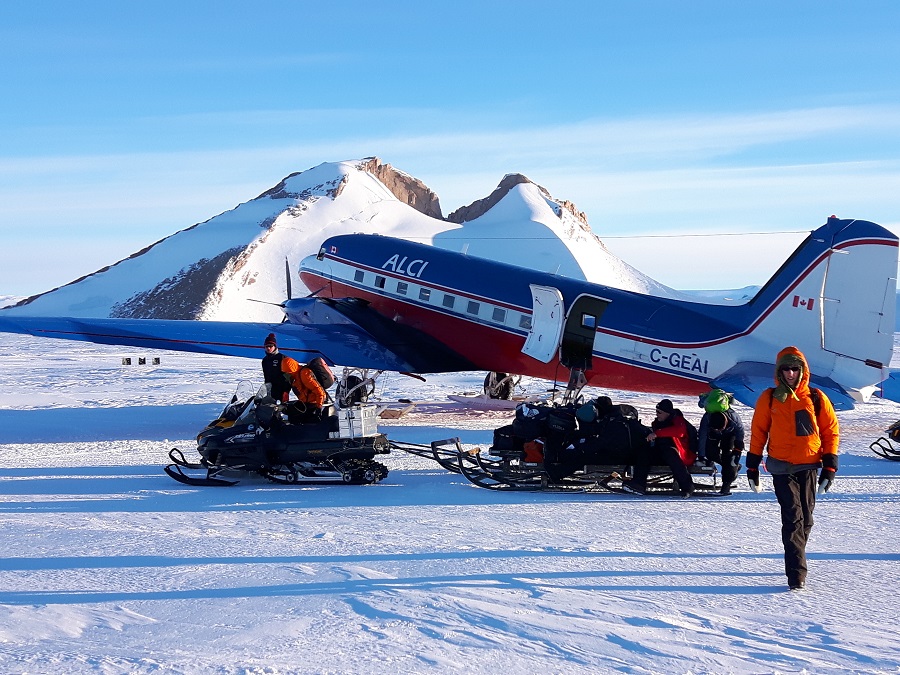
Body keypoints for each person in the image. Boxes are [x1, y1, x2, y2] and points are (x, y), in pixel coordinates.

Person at [747, 346, 839, 591]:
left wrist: (830, 466)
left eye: (794, 369)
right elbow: (758, 431)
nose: (790, 374)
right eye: (785, 369)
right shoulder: (769, 397)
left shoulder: (816, 398)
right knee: (793, 518)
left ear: (802, 371)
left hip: (808, 464)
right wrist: (752, 465)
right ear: (779, 371)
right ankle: (796, 575)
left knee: (806, 519)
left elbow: (830, 431)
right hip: (780, 466)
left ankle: (796, 553)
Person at [622, 399, 696, 497]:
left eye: (659, 412)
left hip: (679, 454)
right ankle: (639, 484)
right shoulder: (656, 423)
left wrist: (657, 434)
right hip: (662, 452)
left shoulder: (678, 419)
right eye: (656, 412)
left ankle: (688, 487)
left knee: (670, 453)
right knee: (645, 453)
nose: (657, 414)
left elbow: (680, 431)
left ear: (667, 413)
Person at [260, 333, 326, 420]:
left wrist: (318, 407)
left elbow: (319, 392)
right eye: (266, 346)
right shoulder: (265, 361)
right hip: (303, 402)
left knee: (292, 417)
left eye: (271, 346)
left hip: (312, 403)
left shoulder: (303, 374)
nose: (268, 348)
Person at [697, 391, 745, 495]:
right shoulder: (707, 419)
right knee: (710, 453)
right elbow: (702, 436)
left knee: (728, 456)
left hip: (730, 434)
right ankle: (731, 467)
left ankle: (726, 485)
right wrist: (702, 455)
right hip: (712, 433)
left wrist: (738, 448)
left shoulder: (734, 418)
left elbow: (740, 433)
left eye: (720, 429)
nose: (719, 431)